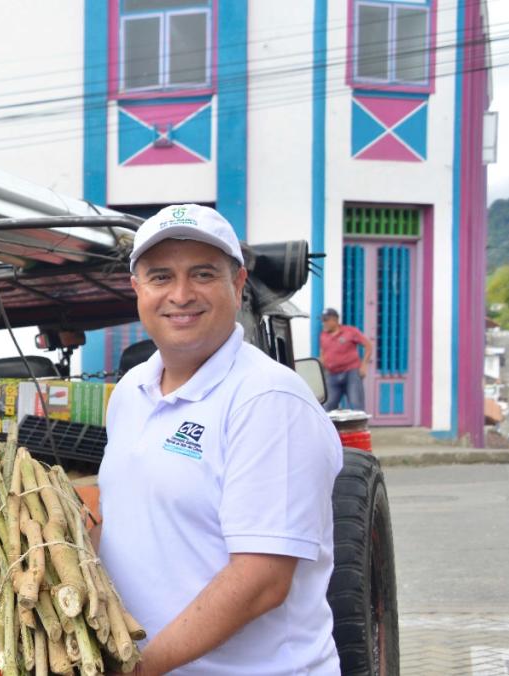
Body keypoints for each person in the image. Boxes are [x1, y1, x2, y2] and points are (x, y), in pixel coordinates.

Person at [98, 204, 342, 675]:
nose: (181, 295)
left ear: (237, 284)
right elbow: (128, 522)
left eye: (203, 274)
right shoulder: (131, 390)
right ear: (137, 289)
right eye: (161, 277)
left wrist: (138, 669)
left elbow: (261, 580)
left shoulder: (268, 399)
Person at [319, 307, 375, 412]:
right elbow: (323, 353)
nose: (324, 323)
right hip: (332, 375)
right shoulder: (323, 335)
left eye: (326, 320)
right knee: (327, 406)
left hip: (351, 373)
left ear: (335, 320)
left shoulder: (350, 331)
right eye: (322, 320)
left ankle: (360, 428)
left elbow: (368, 346)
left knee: (356, 404)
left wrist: (364, 366)